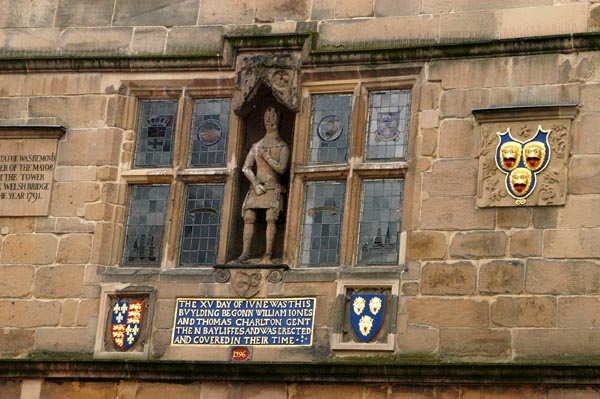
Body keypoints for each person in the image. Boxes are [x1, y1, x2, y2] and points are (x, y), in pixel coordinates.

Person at [238, 106, 290, 264]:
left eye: (273, 117)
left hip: (273, 188)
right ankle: (245, 252)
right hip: (257, 188)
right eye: (267, 118)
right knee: (248, 216)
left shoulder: (282, 146)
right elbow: (246, 168)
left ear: (278, 120)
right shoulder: (256, 146)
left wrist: (267, 156)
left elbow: (281, 168)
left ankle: (268, 253)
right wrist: (255, 183)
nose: (269, 120)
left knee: (270, 218)